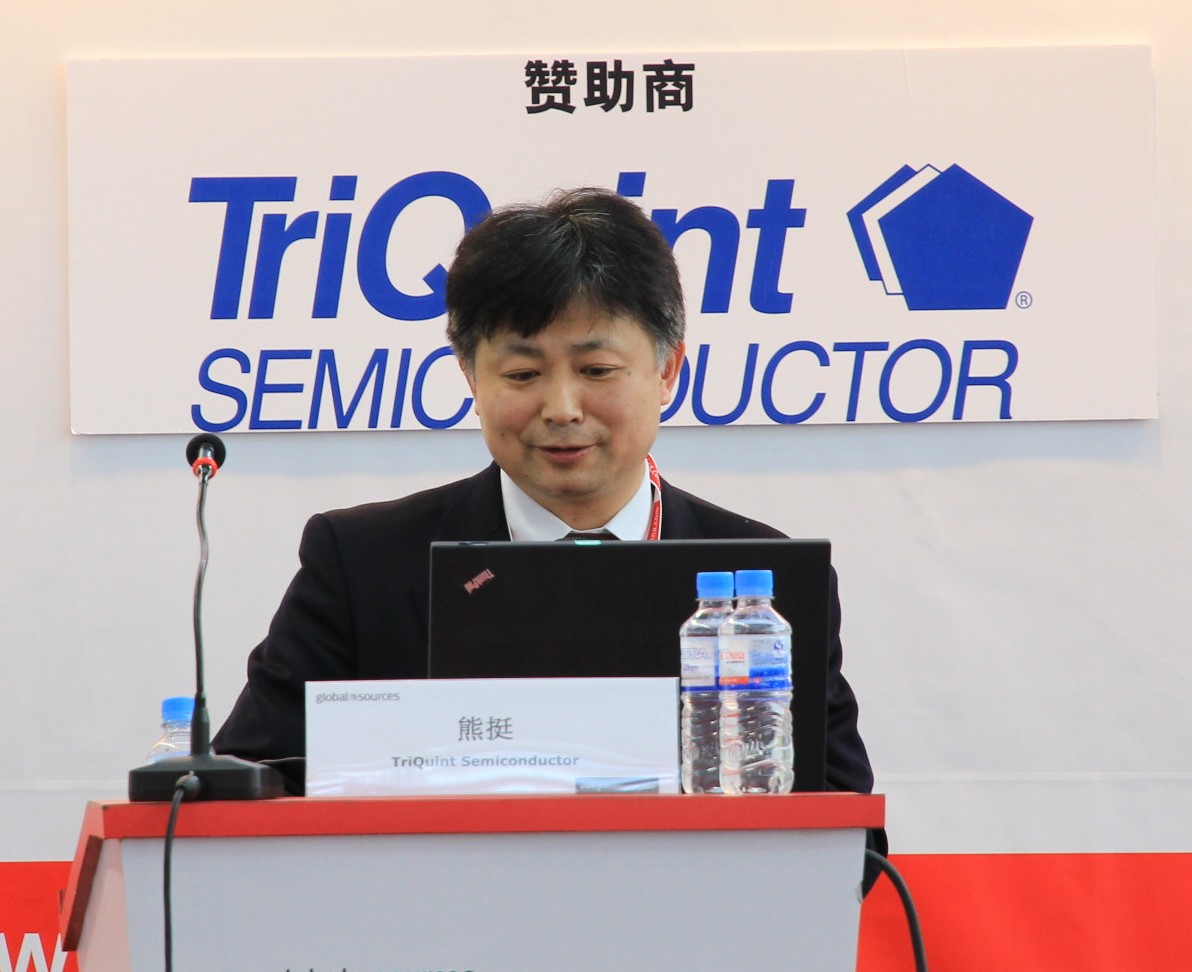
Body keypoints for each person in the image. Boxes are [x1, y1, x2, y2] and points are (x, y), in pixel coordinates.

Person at [213, 188, 879, 824]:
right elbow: (247, 787)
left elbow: (848, 830)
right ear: (471, 376)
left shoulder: (763, 583)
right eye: (523, 374)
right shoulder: (363, 565)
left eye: (597, 371)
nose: (561, 408)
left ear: (668, 370)